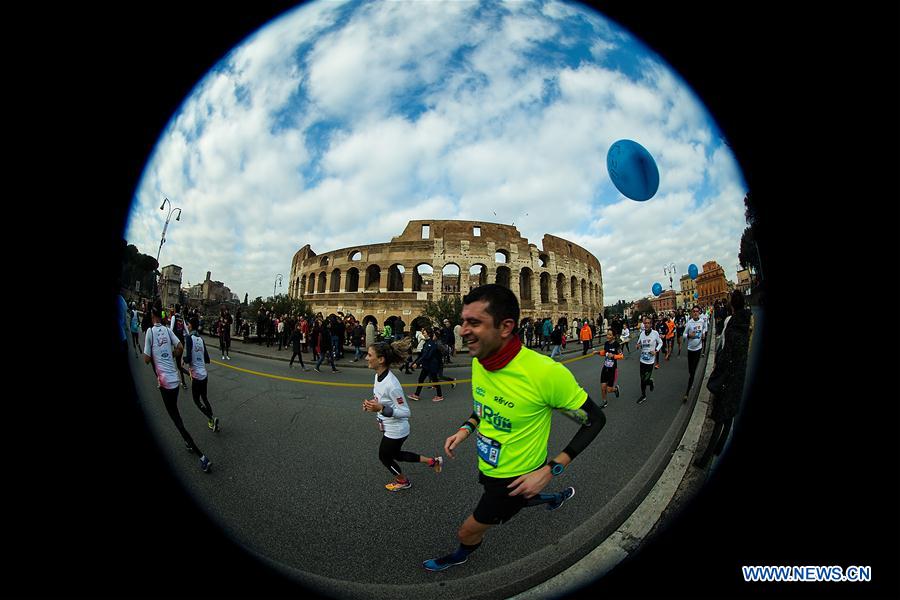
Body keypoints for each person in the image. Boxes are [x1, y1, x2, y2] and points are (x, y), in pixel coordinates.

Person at [423, 284, 605, 572]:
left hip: (516, 475)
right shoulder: (480, 360)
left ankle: (461, 553)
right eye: (462, 321)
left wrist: (550, 470)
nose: (462, 330)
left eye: (474, 323)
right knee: (523, 497)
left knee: (468, 530)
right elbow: (484, 407)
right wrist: (465, 430)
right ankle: (556, 497)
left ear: (506, 326)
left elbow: (594, 420)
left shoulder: (545, 373)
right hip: (489, 466)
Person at [363, 340, 443, 491]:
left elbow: (406, 412)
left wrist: (381, 408)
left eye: (369, 355)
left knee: (384, 457)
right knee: (397, 455)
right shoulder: (377, 376)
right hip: (389, 426)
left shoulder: (392, 385)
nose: (366, 358)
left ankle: (403, 481)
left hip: (397, 430)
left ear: (381, 360)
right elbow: (381, 400)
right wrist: (372, 404)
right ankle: (433, 461)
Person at [143, 306, 211, 473]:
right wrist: (169, 355)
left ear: (152, 316)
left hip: (165, 383)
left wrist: (156, 355)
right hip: (174, 380)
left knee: (177, 420)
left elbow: (146, 359)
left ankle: (202, 457)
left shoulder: (150, 333)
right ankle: (188, 442)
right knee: (176, 414)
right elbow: (180, 347)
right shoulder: (167, 330)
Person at [694, 291, 752, 468]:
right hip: (740, 374)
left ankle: (705, 459)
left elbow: (725, 355)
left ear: (732, 306)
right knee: (730, 415)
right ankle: (719, 448)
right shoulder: (747, 322)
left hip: (728, 377)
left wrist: (717, 375)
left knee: (719, 417)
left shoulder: (732, 325)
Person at [183, 317, 220, 433]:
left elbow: (188, 358)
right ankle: (212, 421)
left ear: (191, 326)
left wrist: (183, 359)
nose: (187, 326)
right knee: (204, 397)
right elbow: (207, 359)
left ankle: (211, 418)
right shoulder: (201, 339)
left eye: (188, 324)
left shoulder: (189, 338)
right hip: (204, 375)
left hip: (196, 376)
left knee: (196, 400)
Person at [408, 328, 445, 402]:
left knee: (435, 380)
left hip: (432, 366)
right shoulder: (426, 343)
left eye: (424, 333)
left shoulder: (432, 344)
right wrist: (415, 362)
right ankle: (416, 395)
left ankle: (440, 395)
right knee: (421, 379)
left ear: (428, 334)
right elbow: (422, 355)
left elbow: (426, 356)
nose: (423, 334)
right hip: (426, 365)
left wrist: (417, 363)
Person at [682, 305, 707, 403]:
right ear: (692, 313)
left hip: (698, 348)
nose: (696, 313)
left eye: (697, 311)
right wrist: (689, 335)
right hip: (690, 349)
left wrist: (704, 333)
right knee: (690, 370)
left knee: (692, 371)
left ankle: (686, 394)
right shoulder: (689, 323)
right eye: (694, 311)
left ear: (699, 312)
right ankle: (691, 380)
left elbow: (705, 327)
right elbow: (683, 335)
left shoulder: (702, 321)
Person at [636, 316, 663, 405]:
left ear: (651, 324)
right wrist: (638, 345)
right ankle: (643, 395)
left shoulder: (655, 333)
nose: (647, 325)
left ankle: (650, 382)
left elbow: (660, 342)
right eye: (645, 323)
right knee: (642, 379)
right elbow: (639, 343)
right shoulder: (642, 334)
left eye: (648, 323)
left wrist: (656, 351)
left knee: (645, 379)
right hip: (642, 360)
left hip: (650, 361)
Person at [594, 329, 623, 409]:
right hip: (605, 368)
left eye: (610, 335)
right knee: (603, 387)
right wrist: (598, 352)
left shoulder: (616, 344)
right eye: (607, 334)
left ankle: (615, 389)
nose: (608, 336)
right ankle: (604, 402)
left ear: (613, 336)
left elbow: (621, 356)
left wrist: (613, 356)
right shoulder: (606, 343)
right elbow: (605, 352)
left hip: (612, 370)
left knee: (609, 389)